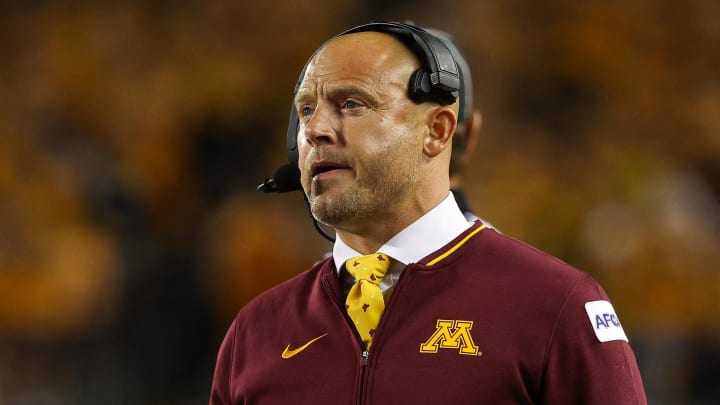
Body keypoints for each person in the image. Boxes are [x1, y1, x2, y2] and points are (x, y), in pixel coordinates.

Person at [210, 22, 646, 404]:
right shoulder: (255, 332)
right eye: (306, 109)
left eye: (351, 104)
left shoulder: (557, 306)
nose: (314, 130)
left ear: (437, 131)